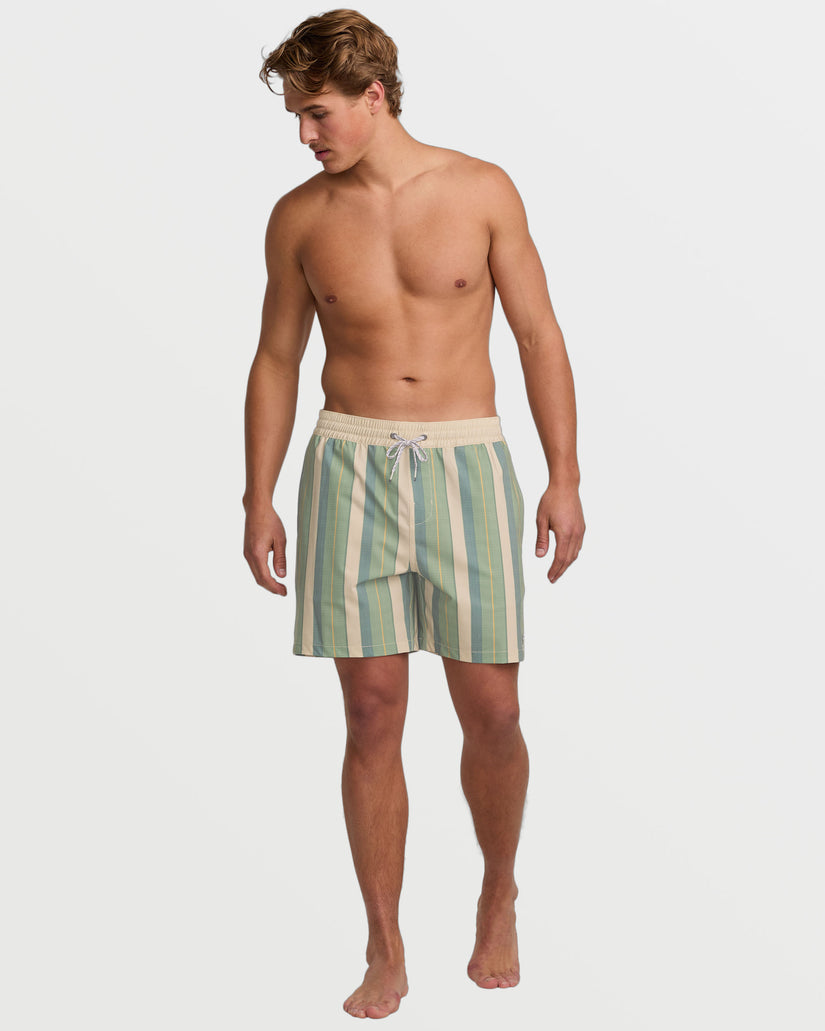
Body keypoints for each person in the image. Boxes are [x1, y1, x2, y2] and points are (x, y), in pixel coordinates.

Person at [243, 8, 585, 1020]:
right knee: (371, 711)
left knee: (494, 711)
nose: (304, 134)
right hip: (347, 466)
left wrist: (564, 475)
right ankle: (384, 942)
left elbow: (538, 335)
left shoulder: (481, 190)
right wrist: (257, 493)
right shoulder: (299, 218)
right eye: (297, 114)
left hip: (466, 463)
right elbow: (276, 358)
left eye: (317, 112)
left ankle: (497, 891)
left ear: (374, 96)